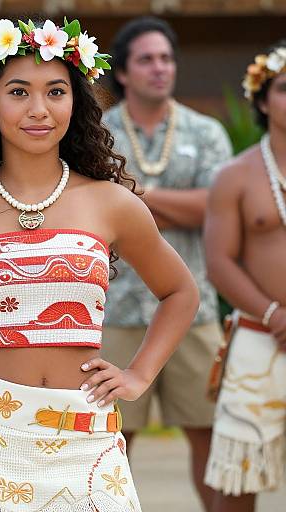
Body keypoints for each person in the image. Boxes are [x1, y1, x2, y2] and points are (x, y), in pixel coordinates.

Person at [0, 17, 200, 512]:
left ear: (75, 103)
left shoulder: (113, 204)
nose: (39, 109)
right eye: (19, 92)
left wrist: (138, 375)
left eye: (55, 91)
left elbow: (180, 292)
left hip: (85, 438)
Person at [100, 16, 233, 511]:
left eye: (167, 58)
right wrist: (173, 203)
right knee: (109, 442)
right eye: (147, 59)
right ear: (125, 73)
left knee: (211, 438)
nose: (160, 68)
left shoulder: (207, 131)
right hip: (112, 308)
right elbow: (91, 203)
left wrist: (132, 200)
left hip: (190, 308)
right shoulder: (96, 132)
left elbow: (216, 207)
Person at [203, 42, 286, 512]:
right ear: (261, 99)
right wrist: (273, 314)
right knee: (237, 475)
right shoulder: (235, 175)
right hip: (258, 333)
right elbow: (219, 262)